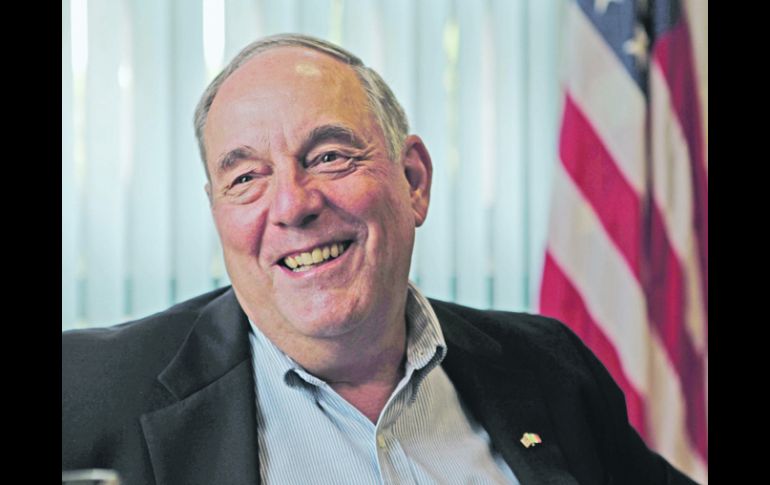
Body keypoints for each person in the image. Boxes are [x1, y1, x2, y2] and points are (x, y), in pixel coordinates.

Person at [62, 34, 700, 485]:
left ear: (414, 180)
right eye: (246, 178)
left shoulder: (550, 368)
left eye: (329, 156)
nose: (292, 205)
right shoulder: (85, 397)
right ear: (217, 212)